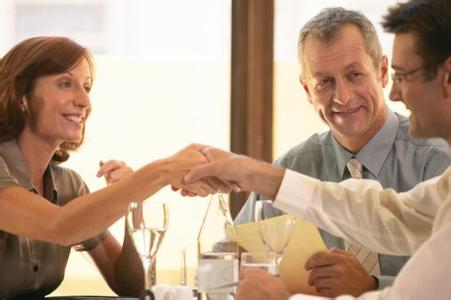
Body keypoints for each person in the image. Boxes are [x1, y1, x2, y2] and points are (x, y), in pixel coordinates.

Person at [184, 0, 451, 298]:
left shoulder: (439, 160)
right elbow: (384, 214)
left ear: (382, 70)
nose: (342, 96)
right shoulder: (294, 165)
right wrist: (254, 176)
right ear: (307, 90)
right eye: (324, 81)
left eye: (354, 75)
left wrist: (370, 285)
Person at [0, 36, 215, 299]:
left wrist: (133, 202)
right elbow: (60, 226)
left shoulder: (69, 186)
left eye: (86, 87)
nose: (84, 102)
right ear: (22, 96)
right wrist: (160, 171)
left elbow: (132, 286)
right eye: (65, 84)